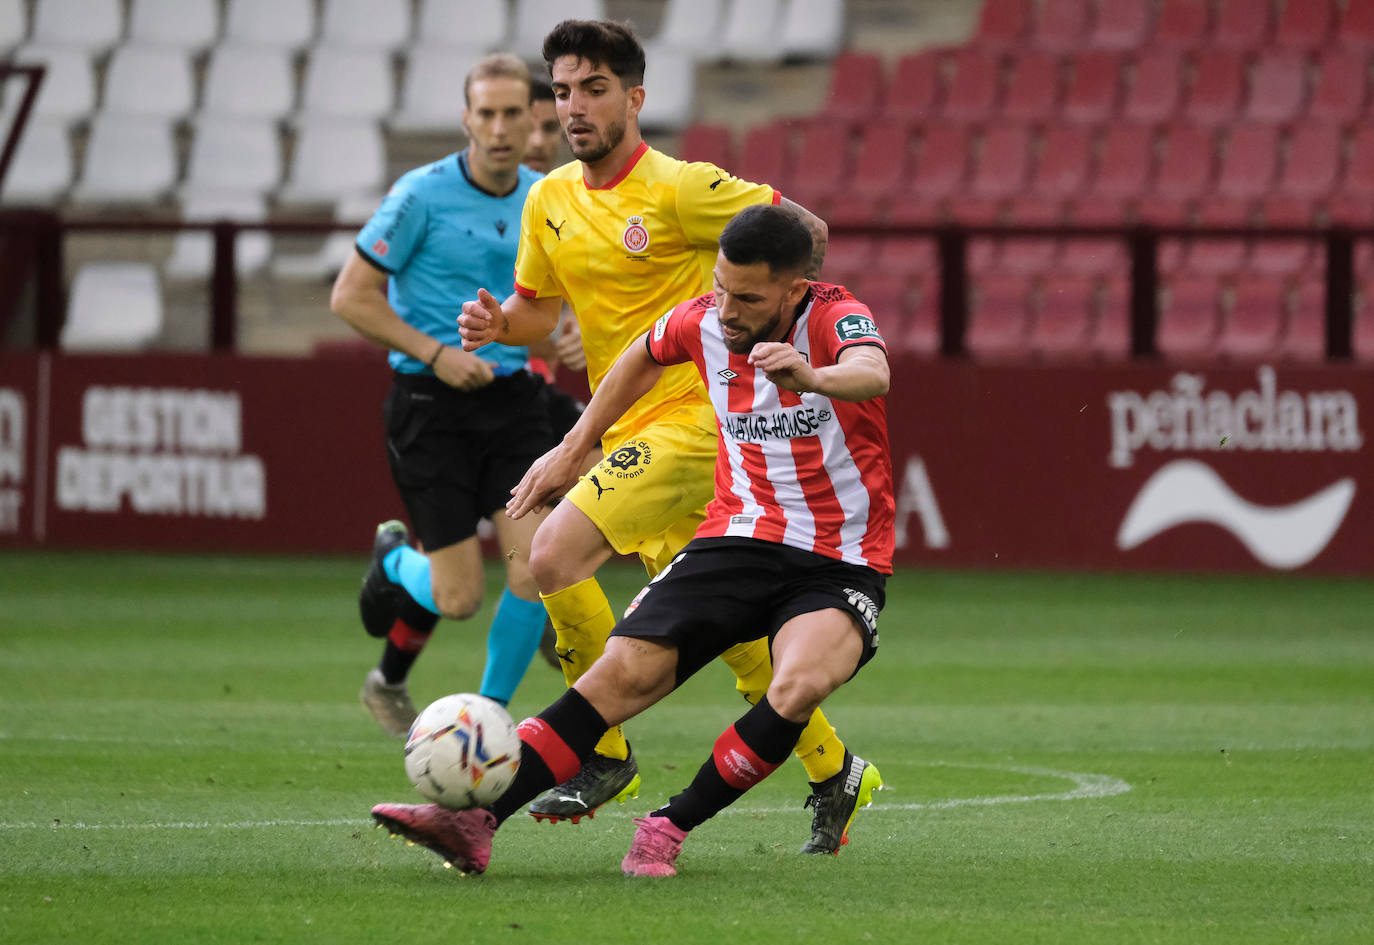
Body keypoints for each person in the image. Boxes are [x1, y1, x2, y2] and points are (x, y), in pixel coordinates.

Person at [455, 18, 879, 854]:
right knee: (736, 639)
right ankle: (836, 771)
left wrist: (796, 322)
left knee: (546, 553)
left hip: (696, 423)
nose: (575, 107)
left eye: (595, 89)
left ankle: (602, 752)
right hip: (628, 427)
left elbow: (803, 230)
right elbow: (544, 310)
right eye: (565, 90)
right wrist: (503, 321)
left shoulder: (684, 188)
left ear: (635, 98)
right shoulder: (548, 200)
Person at [372, 203, 894, 878]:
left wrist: (814, 376)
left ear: (793, 290)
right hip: (736, 539)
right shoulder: (704, 316)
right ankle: (474, 822)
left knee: (795, 684)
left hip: (839, 558)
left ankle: (668, 826)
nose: (727, 310)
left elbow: (872, 369)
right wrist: (570, 449)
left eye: (749, 298)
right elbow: (639, 359)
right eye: (722, 287)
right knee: (617, 680)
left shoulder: (833, 314)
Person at [329, 53, 556, 736]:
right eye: (485, 113)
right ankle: (396, 559)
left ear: (530, 119)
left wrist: (558, 339)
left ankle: (485, 718)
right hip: (430, 404)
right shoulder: (419, 196)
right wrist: (436, 352)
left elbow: (550, 306)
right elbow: (350, 296)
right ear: (466, 119)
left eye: (512, 113)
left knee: (536, 570)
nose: (499, 127)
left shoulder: (546, 198)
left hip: (514, 402)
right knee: (458, 597)